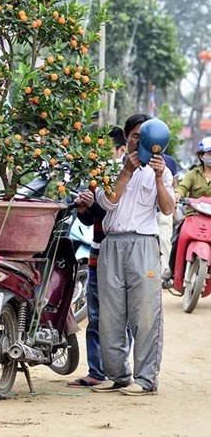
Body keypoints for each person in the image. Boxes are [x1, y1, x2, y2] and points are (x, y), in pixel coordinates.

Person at [91, 114, 175, 396]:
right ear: (126, 136)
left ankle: (146, 379)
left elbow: (167, 209)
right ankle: (117, 376)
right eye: (136, 135)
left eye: (147, 137)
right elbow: (106, 203)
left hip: (143, 244)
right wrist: (125, 172)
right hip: (112, 244)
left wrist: (160, 177)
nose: (141, 141)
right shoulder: (110, 167)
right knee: (110, 314)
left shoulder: (162, 170)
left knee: (146, 314)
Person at [67, 126, 127, 387]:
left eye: (105, 151)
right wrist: (83, 208)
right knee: (95, 315)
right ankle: (96, 371)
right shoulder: (95, 177)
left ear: (120, 151)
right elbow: (92, 220)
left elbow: (117, 219)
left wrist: (94, 206)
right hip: (97, 253)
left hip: (119, 254)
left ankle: (120, 371)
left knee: (120, 317)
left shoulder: (126, 181)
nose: (99, 156)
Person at [162, 136, 211, 282]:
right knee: (177, 239)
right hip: (193, 215)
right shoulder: (193, 174)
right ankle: (171, 269)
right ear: (202, 156)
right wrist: (177, 195)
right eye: (209, 154)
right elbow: (182, 187)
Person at [157, 154, 178, 274]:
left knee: (164, 240)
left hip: (163, 212)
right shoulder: (137, 161)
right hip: (144, 213)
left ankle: (162, 274)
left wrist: (173, 209)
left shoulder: (170, 161)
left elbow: (174, 186)